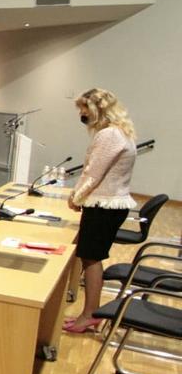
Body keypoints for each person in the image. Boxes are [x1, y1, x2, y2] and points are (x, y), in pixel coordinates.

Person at [64, 88, 139, 334]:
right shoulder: (122, 133)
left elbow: (93, 173)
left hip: (103, 206)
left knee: (91, 258)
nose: (82, 114)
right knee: (90, 256)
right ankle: (89, 313)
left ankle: (90, 315)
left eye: (84, 109)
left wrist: (77, 196)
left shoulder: (109, 135)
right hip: (109, 205)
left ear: (97, 109)